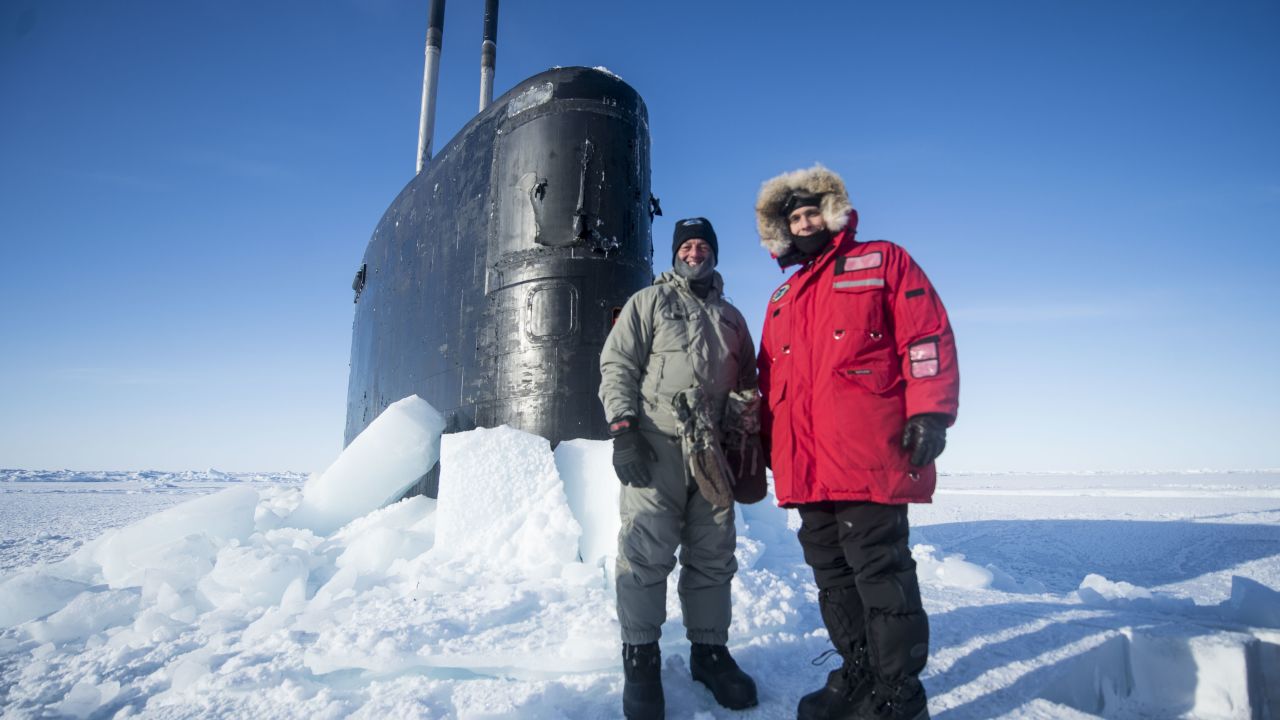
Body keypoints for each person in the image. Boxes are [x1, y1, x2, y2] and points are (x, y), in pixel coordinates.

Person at [754, 166, 960, 720]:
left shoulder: (882, 260)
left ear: (832, 209)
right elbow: (770, 381)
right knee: (833, 575)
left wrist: (931, 411)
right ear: (784, 230)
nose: (804, 223)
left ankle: (900, 696)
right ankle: (862, 671)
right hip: (807, 466)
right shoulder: (782, 296)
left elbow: (926, 334)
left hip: (868, 453)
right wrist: (762, 446)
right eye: (793, 218)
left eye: (811, 212)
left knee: (880, 572)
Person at [599, 217, 760, 719]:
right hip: (656, 444)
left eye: (702, 245)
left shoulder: (733, 318)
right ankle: (641, 656)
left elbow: (750, 377)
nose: (694, 253)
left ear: (713, 254)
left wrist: (746, 426)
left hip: (711, 451)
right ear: (675, 254)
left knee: (714, 554)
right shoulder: (648, 303)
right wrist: (623, 430)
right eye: (686, 246)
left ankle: (709, 652)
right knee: (645, 553)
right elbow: (617, 363)